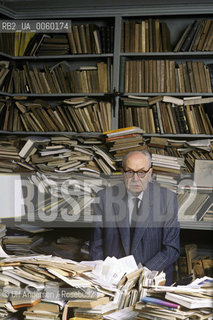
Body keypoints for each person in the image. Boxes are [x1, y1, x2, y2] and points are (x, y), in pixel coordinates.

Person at [89, 150, 180, 285]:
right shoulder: (104, 198)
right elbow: (96, 246)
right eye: (130, 172)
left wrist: (142, 273)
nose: (136, 179)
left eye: (142, 172)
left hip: (152, 279)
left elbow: (171, 248)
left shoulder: (167, 199)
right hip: (113, 281)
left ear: (150, 173)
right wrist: (103, 276)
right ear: (122, 172)